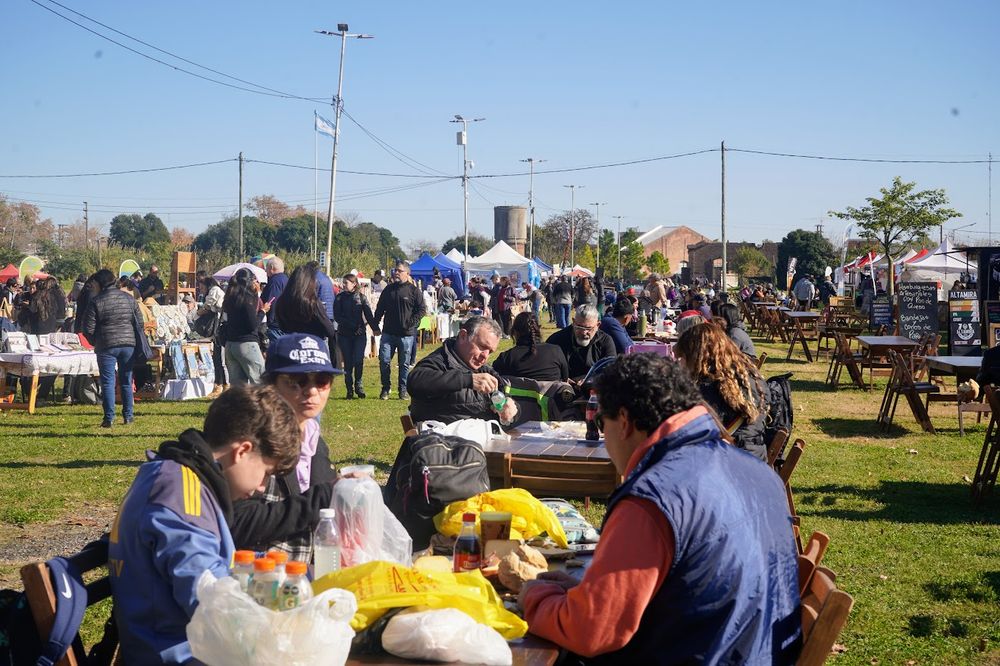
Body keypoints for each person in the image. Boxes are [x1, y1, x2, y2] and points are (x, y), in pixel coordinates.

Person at [519, 354, 800, 663]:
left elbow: (593, 632)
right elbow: (702, 581)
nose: (602, 435)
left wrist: (534, 597)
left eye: (602, 423)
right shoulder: (758, 471)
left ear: (623, 421)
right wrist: (587, 595)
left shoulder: (650, 499)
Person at [109, 385, 300, 664]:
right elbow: (210, 600)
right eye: (266, 473)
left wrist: (299, 577)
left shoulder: (177, 476)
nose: (262, 487)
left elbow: (221, 569)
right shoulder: (182, 496)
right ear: (242, 451)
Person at [229, 334, 341, 560]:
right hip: (261, 577)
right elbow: (239, 522)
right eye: (298, 381)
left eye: (321, 381)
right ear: (272, 385)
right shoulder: (252, 441)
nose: (311, 391)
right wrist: (323, 497)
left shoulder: (315, 441)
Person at [674, 323, 770, 461]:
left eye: (682, 358)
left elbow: (693, 432)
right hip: (756, 457)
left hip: (727, 462)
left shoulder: (709, 389)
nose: (681, 364)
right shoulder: (750, 379)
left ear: (696, 357)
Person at [408, 316, 518, 425]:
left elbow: (506, 395)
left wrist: (511, 409)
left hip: (484, 437)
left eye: (490, 352)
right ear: (463, 336)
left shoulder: (484, 370)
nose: (485, 356)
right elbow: (415, 381)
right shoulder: (439, 362)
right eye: (482, 346)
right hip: (445, 439)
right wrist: (468, 380)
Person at [82, 269, 142, 428]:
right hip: (128, 344)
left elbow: (87, 328)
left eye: (94, 283)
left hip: (106, 345)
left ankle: (109, 417)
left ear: (100, 283)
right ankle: (128, 416)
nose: (93, 286)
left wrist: (96, 341)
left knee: (108, 382)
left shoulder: (96, 301)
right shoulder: (129, 298)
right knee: (126, 381)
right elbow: (139, 323)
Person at [373, 261, 425, 401]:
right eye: (395, 270)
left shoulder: (414, 291)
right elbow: (379, 309)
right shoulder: (388, 290)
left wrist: (411, 323)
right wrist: (375, 325)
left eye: (399, 270)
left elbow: (421, 310)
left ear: (407, 273)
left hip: (406, 335)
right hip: (388, 333)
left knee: (404, 364)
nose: (396, 272)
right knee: (384, 361)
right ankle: (385, 388)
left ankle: (402, 390)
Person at [333, 273, 380, 399]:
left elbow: (369, 314)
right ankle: (349, 389)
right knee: (348, 363)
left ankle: (359, 385)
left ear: (354, 284)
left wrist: (375, 328)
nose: (343, 285)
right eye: (343, 282)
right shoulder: (339, 298)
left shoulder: (361, 297)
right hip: (345, 334)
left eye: (346, 283)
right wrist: (353, 326)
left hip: (359, 334)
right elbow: (337, 317)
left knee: (359, 360)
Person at [273, 263, 338, 350]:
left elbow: (282, 325)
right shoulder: (313, 303)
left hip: (291, 346)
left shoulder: (282, 300)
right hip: (313, 347)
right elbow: (329, 330)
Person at [546, 305, 617, 382]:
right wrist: (561, 380)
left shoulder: (605, 341)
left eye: (589, 328)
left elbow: (611, 370)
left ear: (597, 325)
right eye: (579, 327)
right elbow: (546, 369)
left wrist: (591, 380)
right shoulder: (556, 340)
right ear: (573, 322)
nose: (584, 332)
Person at [493, 312, 569, 382]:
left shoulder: (507, 357)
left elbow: (494, 379)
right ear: (539, 329)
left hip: (516, 397)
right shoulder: (556, 351)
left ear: (515, 332)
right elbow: (565, 378)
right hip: (553, 396)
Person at [222, 269, 266, 386]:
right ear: (250, 281)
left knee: (238, 389)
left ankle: (236, 405)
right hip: (246, 344)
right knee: (261, 383)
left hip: (230, 345)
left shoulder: (229, 298)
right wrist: (262, 312)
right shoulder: (248, 299)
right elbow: (253, 325)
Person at [201, 276, 229, 397]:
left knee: (221, 360)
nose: (201, 289)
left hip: (222, 328)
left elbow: (209, 305)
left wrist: (201, 311)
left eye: (202, 287)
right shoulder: (217, 291)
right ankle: (218, 385)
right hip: (218, 329)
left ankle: (225, 385)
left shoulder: (214, 291)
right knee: (217, 358)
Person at [260, 256, 289, 342]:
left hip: (275, 327)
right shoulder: (287, 280)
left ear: (272, 268)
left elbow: (272, 302)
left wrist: (269, 322)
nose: (265, 271)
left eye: (267, 268)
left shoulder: (274, 282)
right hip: (285, 323)